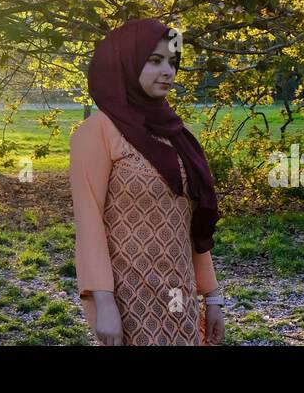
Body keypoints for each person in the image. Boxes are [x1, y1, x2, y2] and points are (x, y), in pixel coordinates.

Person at [69, 18, 225, 346]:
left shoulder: (178, 136)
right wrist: (104, 302)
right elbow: (88, 223)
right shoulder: (97, 132)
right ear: (126, 62)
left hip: (178, 295)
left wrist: (211, 296)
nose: (168, 71)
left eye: (173, 62)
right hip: (128, 298)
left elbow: (190, 224)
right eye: (154, 61)